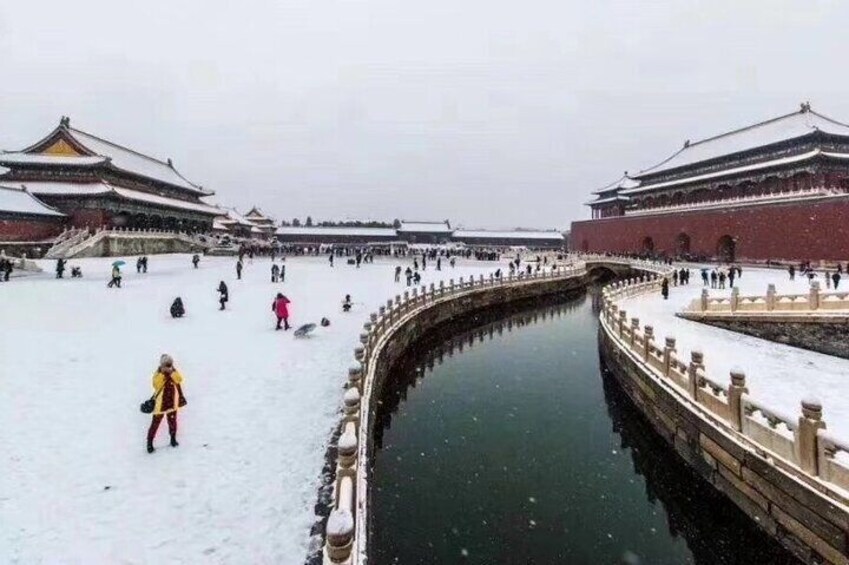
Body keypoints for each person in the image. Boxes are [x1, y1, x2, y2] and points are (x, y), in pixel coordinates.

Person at [146, 354, 187, 453]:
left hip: (172, 403)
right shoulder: (158, 373)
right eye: (166, 364)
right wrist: (162, 374)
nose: (168, 366)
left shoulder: (174, 371)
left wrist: (172, 372)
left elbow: (179, 379)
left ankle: (173, 439)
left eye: (170, 364)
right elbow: (156, 385)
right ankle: (149, 443)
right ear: (162, 365)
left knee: (172, 423)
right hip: (160, 405)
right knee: (155, 424)